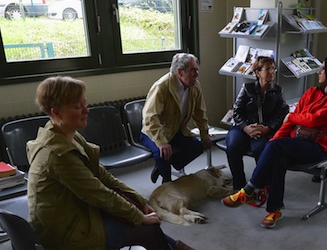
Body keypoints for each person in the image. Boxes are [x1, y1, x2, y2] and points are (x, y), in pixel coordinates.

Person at [27, 76, 195, 250]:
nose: (86, 110)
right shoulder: (57, 154)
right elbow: (98, 193)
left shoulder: (69, 135)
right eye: (78, 106)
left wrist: (141, 202)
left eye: (85, 103)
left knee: (148, 223)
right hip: (63, 230)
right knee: (147, 229)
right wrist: (137, 215)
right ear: (56, 113)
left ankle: (177, 247)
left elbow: (103, 176)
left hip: (76, 210)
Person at [220, 54, 327, 229]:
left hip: (318, 148)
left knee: (276, 147)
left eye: (323, 69)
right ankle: (274, 210)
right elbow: (290, 122)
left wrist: (294, 116)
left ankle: (249, 190)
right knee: (276, 154)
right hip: (297, 142)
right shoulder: (311, 92)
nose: (318, 72)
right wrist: (275, 138)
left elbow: (313, 120)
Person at [141, 53, 214, 183]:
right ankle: (166, 180)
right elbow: (150, 118)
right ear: (180, 72)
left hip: (176, 131)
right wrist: (162, 142)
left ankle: (163, 166)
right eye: (193, 71)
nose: (197, 74)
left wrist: (205, 135)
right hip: (153, 132)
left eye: (197, 70)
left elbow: (200, 113)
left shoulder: (195, 86)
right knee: (163, 154)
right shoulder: (161, 86)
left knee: (198, 147)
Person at [225, 56, 289, 192]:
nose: (272, 72)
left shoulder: (277, 90)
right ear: (258, 72)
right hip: (243, 127)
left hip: (264, 129)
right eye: (268, 69)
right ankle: (239, 185)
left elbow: (282, 113)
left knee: (261, 149)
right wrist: (245, 128)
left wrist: (268, 127)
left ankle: (262, 184)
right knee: (232, 146)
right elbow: (237, 111)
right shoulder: (247, 88)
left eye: (274, 69)